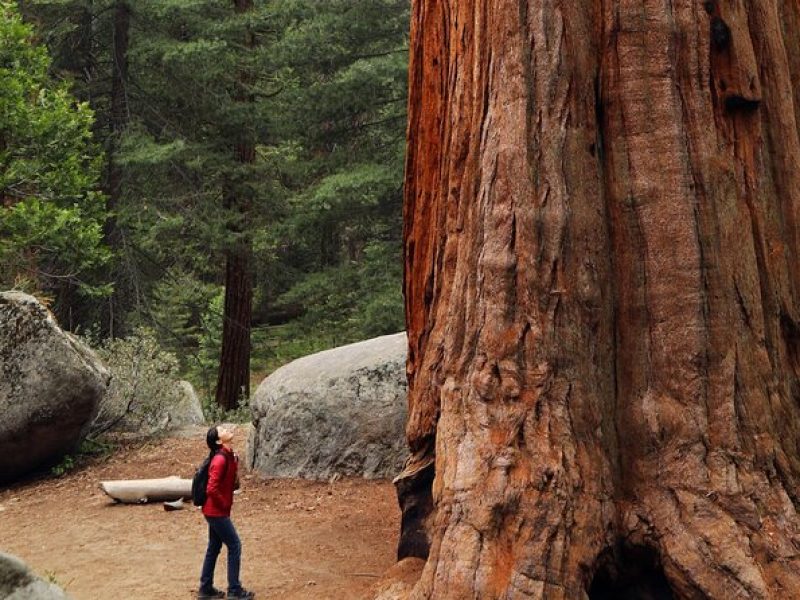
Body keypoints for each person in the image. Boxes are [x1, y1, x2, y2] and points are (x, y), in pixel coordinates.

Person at [198, 425, 254, 600]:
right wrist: (223, 505)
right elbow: (211, 488)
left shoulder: (229, 456)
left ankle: (206, 589)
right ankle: (234, 590)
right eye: (222, 430)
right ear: (218, 440)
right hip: (216, 511)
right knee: (235, 545)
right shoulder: (220, 460)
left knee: (214, 547)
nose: (227, 429)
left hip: (215, 511)